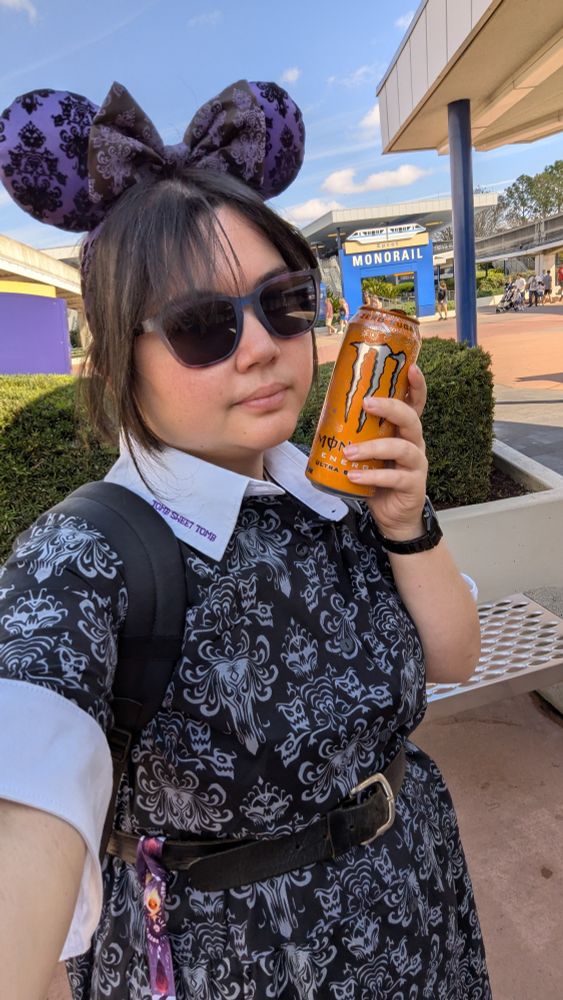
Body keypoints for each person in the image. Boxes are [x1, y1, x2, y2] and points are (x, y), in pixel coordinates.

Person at [0, 80, 491, 1000]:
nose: (261, 345)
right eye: (200, 326)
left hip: (416, 906)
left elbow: (454, 659)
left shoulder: (328, 488)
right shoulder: (87, 554)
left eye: (285, 302)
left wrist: (405, 522)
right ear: (116, 358)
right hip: (243, 965)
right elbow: (22, 761)